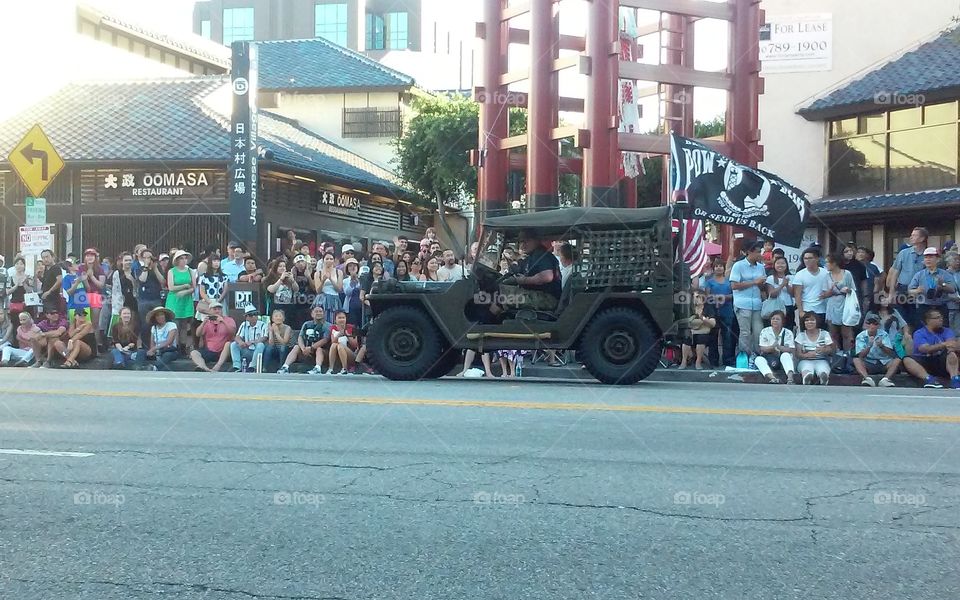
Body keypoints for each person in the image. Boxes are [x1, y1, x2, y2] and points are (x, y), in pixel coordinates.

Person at [494, 229, 563, 315]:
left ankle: (494, 320)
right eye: (521, 242)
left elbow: (547, 277)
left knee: (495, 292)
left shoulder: (541, 255)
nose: (523, 245)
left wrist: (523, 280)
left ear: (536, 240)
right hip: (539, 295)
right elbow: (518, 269)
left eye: (526, 241)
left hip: (547, 299)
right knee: (498, 291)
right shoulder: (531, 256)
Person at [902, 308, 960, 389]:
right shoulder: (919, 333)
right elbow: (924, 349)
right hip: (925, 360)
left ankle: (955, 379)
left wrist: (943, 346)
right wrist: (944, 344)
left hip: (942, 361)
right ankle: (929, 380)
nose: (941, 320)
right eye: (937, 318)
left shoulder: (947, 331)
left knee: (951, 353)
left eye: (941, 317)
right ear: (928, 320)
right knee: (907, 359)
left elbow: (952, 345)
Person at [729, 241, 766, 363]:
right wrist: (755, 282)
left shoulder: (761, 267)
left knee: (758, 332)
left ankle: (758, 357)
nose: (760, 254)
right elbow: (734, 285)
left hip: (757, 303)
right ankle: (744, 356)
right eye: (757, 252)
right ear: (749, 252)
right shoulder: (738, 266)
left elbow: (762, 286)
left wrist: (761, 285)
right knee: (745, 332)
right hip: (742, 303)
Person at [886, 227, 929, 326]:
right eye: (911, 235)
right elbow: (895, 273)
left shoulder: (927, 255)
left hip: (919, 290)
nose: (911, 237)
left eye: (914, 235)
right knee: (902, 320)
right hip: (903, 288)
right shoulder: (903, 253)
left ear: (922, 238)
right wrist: (891, 293)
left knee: (917, 319)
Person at [908, 247, 956, 331]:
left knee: (943, 331)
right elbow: (909, 290)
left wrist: (943, 285)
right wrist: (917, 290)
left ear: (937, 259)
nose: (928, 260)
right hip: (924, 307)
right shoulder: (919, 275)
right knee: (923, 331)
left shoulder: (945, 274)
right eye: (926, 257)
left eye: (931, 257)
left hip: (941, 307)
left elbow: (953, 289)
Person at [278, 305, 331, 374]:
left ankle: (317, 368)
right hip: (306, 351)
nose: (318, 313)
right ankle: (285, 367)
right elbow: (300, 337)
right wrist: (303, 348)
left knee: (319, 349)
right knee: (296, 347)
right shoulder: (306, 324)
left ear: (324, 314)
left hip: (322, 352)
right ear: (312, 314)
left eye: (320, 311)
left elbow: (325, 340)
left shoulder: (328, 326)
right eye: (316, 311)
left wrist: (311, 348)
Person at [852, 314, 900, 387]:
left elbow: (891, 353)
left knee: (897, 360)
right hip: (869, 362)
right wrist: (869, 346)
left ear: (878, 325)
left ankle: (885, 380)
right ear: (866, 325)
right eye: (869, 323)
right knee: (856, 360)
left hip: (883, 362)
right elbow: (860, 356)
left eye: (875, 324)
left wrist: (882, 346)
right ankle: (867, 379)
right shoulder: (861, 336)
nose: (872, 326)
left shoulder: (884, 334)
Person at [703, 258, 736, 367]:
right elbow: (707, 297)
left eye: (720, 266)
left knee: (727, 337)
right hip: (713, 312)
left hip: (727, 311)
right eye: (716, 266)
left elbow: (733, 295)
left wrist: (724, 298)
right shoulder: (709, 282)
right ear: (713, 268)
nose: (718, 268)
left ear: (724, 268)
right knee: (713, 337)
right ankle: (714, 361)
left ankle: (728, 360)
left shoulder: (728, 281)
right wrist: (716, 299)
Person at [190, 301, 236, 373]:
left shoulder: (229, 320)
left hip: (224, 352)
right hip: (210, 351)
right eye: (215, 309)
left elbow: (233, 332)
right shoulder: (207, 321)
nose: (217, 311)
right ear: (210, 311)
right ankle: (204, 368)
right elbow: (198, 334)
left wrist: (223, 321)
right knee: (194, 353)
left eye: (219, 309)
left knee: (228, 344)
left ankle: (217, 367)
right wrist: (203, 323)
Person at [825, 252, 857, 354]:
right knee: (833, 333)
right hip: (832, 304)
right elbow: (823, 294)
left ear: (834, 263)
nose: (826, 264)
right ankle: (836, 355)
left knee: (846, 333)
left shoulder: (847, 273)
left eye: (827, 262)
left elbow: (853, 290)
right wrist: (830, 291)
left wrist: (848, 290)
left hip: (845, 304)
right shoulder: (827, 275)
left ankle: (848, 355)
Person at [793, 247, 832, 329]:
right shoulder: (800, 274)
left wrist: (827, 294)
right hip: (807, 309)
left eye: (810, 258)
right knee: (806, 335)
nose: (807, 260)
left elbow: (831, 289)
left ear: (817, 259)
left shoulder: (826, 273)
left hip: (823, 310)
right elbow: (797, 294)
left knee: (822, 335)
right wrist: (801, 311)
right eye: (805, 258)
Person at [165, 250, 196, 352]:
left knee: (184, 325)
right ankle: (175, 345)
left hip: (186, 300)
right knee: (175, 324)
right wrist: (184, 286)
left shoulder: (190, 271)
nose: (184, 260)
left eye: (185, 258)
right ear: (177, 260)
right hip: (174, 300)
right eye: (181, 258)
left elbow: (194, 287)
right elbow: (171, 287)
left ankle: (183, 346)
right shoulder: (171, 271)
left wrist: (186, 292)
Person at [755, 311, 796, 384]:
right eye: (773, 319)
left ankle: (790, 378)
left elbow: (791, 349)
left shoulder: (788, 332)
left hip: (782, 358)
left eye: (777, 319)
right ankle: (772, 378)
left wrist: (779, 347)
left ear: (782, 321)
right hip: (769, 358)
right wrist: (772, 348)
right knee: (758, 359)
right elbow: (762, 348)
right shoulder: (765, 331)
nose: (775, 320)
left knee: (785, 355)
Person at [795, 312, 835, 385]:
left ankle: (823, 378)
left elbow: (831, 349)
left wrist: (824, 350)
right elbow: (798, 354)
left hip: (821, 359)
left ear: (817, 322)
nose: (809, 322)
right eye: (806, 320)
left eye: (812, 320)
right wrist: (807, 355)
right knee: (807, 368)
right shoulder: (801, 335)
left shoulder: (824, 334)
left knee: (822, 369)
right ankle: (807, 378)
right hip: (805, 360)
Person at [678, 290, 716, 370]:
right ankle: (683, 361)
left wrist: (703, 319)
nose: (695, 299)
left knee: (701, 338)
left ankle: (698, 362)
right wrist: (701, 321)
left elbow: (713, 323)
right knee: (687, 337)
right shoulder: (690, 308)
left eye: (697, 297)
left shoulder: (708, 308)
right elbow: (684, 321)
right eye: (694, 297)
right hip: (692, 332)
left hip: (703, 333)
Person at [136, 249, 165, 348]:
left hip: (156, 299)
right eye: (146, 257)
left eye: (150, 257)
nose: (149, 259)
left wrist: (155, 268)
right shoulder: (139, 268)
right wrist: (146, 267)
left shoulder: (158, 268)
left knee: (158, 322)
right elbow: (142, 279)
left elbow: (162, 281)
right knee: (145, 323)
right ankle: (146, 346)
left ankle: (157, 346)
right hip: (144, 300)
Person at [79, 249, 106, 349]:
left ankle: (97, 344)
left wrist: (91, 276)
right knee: (84, 321)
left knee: (95, 322)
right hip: (82, 296)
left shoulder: (100, 269)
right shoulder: (81, 268)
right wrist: (85, 279)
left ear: (95, 258)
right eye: (87, 255)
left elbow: (101, 285)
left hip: (96, 295)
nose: (89, 257)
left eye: (92, 255)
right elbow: (85, 286)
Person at [230, 305, 268, 372]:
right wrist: (240, 342)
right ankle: (236, 366)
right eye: (251, 315)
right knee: (234, 344)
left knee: (260, 345)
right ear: (246, 317)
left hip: (258, 351)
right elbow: (237, 337)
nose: (254, 316)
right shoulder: (244, 324)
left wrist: (252, 342)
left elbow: (264, 337)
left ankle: (252, 367)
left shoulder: (263, 324)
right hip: (247, 350)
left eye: (255, 314)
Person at [141, 306, 180, 371]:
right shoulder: (154, 327)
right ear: (155, 318)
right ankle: (138, 367)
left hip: (170, 351)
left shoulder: (171, 325)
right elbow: (152, 343)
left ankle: (154, 367)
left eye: (161, 315)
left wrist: (154, 348)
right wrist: (152, 351)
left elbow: (169, 341)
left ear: (165, 316)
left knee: (167, 355)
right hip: (157, 352)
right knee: (141, 352)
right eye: (157, 316)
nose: (160, 317)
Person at [111, 252, 139, 337]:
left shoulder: (135, 272)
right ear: (122, 262)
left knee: (132, 323)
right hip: (121, 301)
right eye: (126, 260)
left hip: (133, 300)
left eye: (130, 260)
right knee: (120, 324)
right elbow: (115, 290)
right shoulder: (117, 273)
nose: (128, 262)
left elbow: (137, 288)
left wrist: (132, 280)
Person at [265, 259, 299, 327]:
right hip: (276, 307)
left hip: (289, 307)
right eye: (280, 266)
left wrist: (292, 281)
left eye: (284, 266)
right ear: (275, 268)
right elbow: (271, 289)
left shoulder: (289, 278)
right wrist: (280, 279)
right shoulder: (270, 278)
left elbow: (296, 289)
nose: (282, 268)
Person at [766, 256, 795, 330]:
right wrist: (782, 285)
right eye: (778, 263)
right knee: (775, 328)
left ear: (786, 265)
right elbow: (772, 294)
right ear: (774, 265)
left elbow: (793, 294)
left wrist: (787, 285)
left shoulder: (791, 277)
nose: (780, 265)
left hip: (788, 306)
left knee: (789, 328)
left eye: (783, 263)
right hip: (775, 306)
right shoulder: (770, 278)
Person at [313, 252, 343, 324]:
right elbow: (318, 290)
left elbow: (339, 289)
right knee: (321, 320)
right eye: (327, 259)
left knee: (334, 319)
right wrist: (323, 280)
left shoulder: (339, 272)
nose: (329, 261)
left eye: (331, 259)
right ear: (323, 260)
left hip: (334, 298)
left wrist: (331, 279)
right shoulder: (318, 273)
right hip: (322, 299)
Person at [327, 310, 359, 374]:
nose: (342, 320)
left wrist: (347, 334)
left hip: (351, 354)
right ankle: (330, 369)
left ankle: (344, 368)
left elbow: (355, 345)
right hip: (337, 354)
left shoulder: (351, 327)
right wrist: (339, 335)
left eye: (343, 318)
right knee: (334, 345)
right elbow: (333, 342)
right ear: (335, 320)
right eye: (339, 318)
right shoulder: (333, 328)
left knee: (340, 346)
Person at [6, 257, 35, 325]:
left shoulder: (29, 277)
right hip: (15, 304)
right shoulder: (10, 278)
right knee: (15, 323)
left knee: (28, 324)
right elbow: (7, 292)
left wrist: (24, 284)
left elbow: (30, 291)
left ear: (24, 266)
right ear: (14, 266)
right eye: (17, 264)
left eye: (21, 264)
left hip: (26, 304)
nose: (19, 266)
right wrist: (16, 285)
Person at [62, 258, 90, 323]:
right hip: (73, 306)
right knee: (73, 325)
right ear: (69, 267)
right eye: (75, 264)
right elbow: (69, 292)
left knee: (87, 325)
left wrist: (85, 280)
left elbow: (88, 289)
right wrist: (77, 282)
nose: (78, 265)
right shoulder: (66, 278)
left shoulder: (79, 275)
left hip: (85, 304)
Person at [38, 249, 64, 313]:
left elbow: (59, 281)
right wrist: (39, 276)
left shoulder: (56, 268)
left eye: (47, 257)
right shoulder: (46, 269)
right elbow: (46, 282)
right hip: (46, 299)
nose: (45, 259)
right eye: (43, 258)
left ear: (53, 257)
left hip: (53, 299)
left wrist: (49, 291)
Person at [341, 259, 363, 328]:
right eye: (350, 266)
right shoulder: (345, 281)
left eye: (354, 265)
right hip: (350, 307)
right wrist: (352, 281)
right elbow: (347, 292)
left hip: (361, 306)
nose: (352, 267)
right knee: (352, 326)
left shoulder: (362, 279)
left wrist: (357, 280)